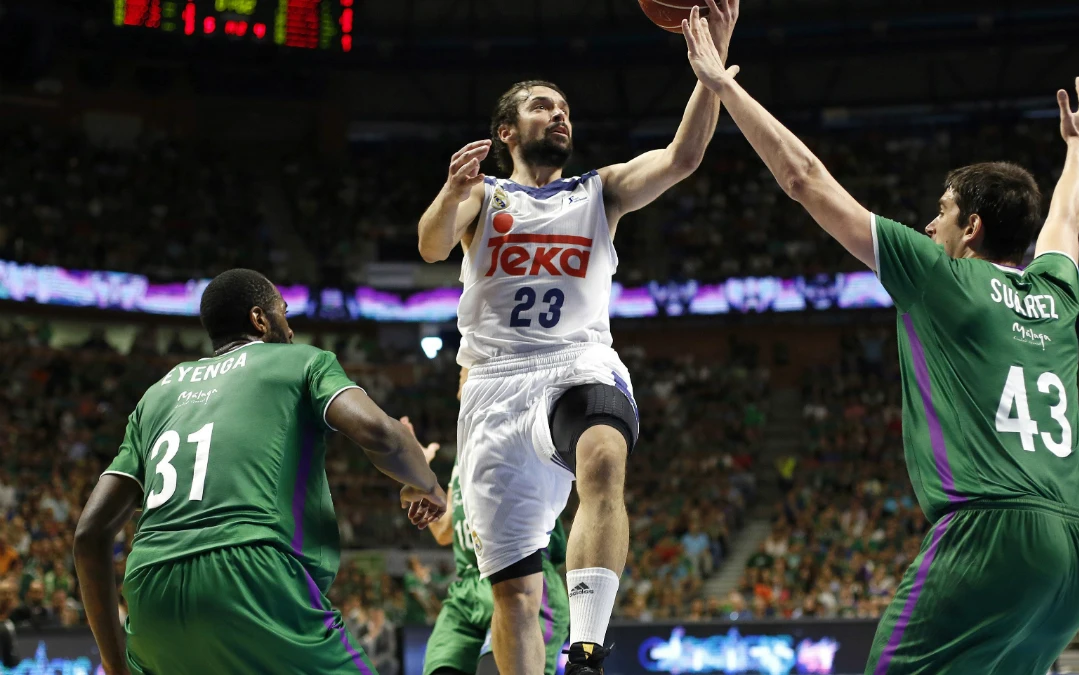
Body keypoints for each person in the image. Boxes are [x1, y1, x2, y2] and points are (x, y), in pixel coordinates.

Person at [681, 16, 1079, 675]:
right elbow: (1066, 219)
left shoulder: (941, 274)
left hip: (995, 532)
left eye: (941, 210)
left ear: (970, 227)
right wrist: (1078, 150)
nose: (928, 221)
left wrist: (721, 87)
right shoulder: (1054, 291)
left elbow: (804, 179)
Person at [416, 2, 739, 672]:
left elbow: (684, 157)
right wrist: (451, 192)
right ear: (506, 129)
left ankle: (587, 645)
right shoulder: (484, 199)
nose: (558, 113)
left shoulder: (601, 192)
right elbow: (429, 244)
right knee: (515, 595)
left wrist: (710, 76)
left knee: (601, 453)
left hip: (575, 361)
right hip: (493, 389)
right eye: (542, 105)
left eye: (564, 107)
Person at [74, 268, 448, 675]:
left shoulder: (157, 394)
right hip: (252, 573)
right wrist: (425, 482)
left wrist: (115, 666)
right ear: (260, 319)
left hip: (150, 594)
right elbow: (380, 433)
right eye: (284, 313)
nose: (290, 329)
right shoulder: (301, 360)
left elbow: (89, 535)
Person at [415, 369, 569, 675]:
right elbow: (445, 531)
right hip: (467, 591)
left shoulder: (516, 429)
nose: (461, 371)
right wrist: (417, 472)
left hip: (520, 576)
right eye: (460, 370)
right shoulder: (465, 450)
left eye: (468, 366)